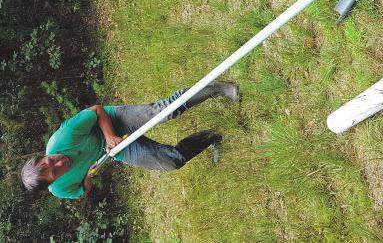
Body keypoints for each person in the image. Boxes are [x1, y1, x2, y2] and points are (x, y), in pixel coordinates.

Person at [20, 82, 240, 199]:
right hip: (112, 151)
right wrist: (87, 177)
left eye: (51, 160)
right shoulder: (59, 189)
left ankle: (216, 89)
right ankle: (211, 137)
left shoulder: (62, 138)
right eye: (55, 171)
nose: (59, 163)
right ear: (53, 182)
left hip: (111, 121)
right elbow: (82, 192)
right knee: (172, 161)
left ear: (45, 154)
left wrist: (109, 136)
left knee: (166, 111)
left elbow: (97, 111)